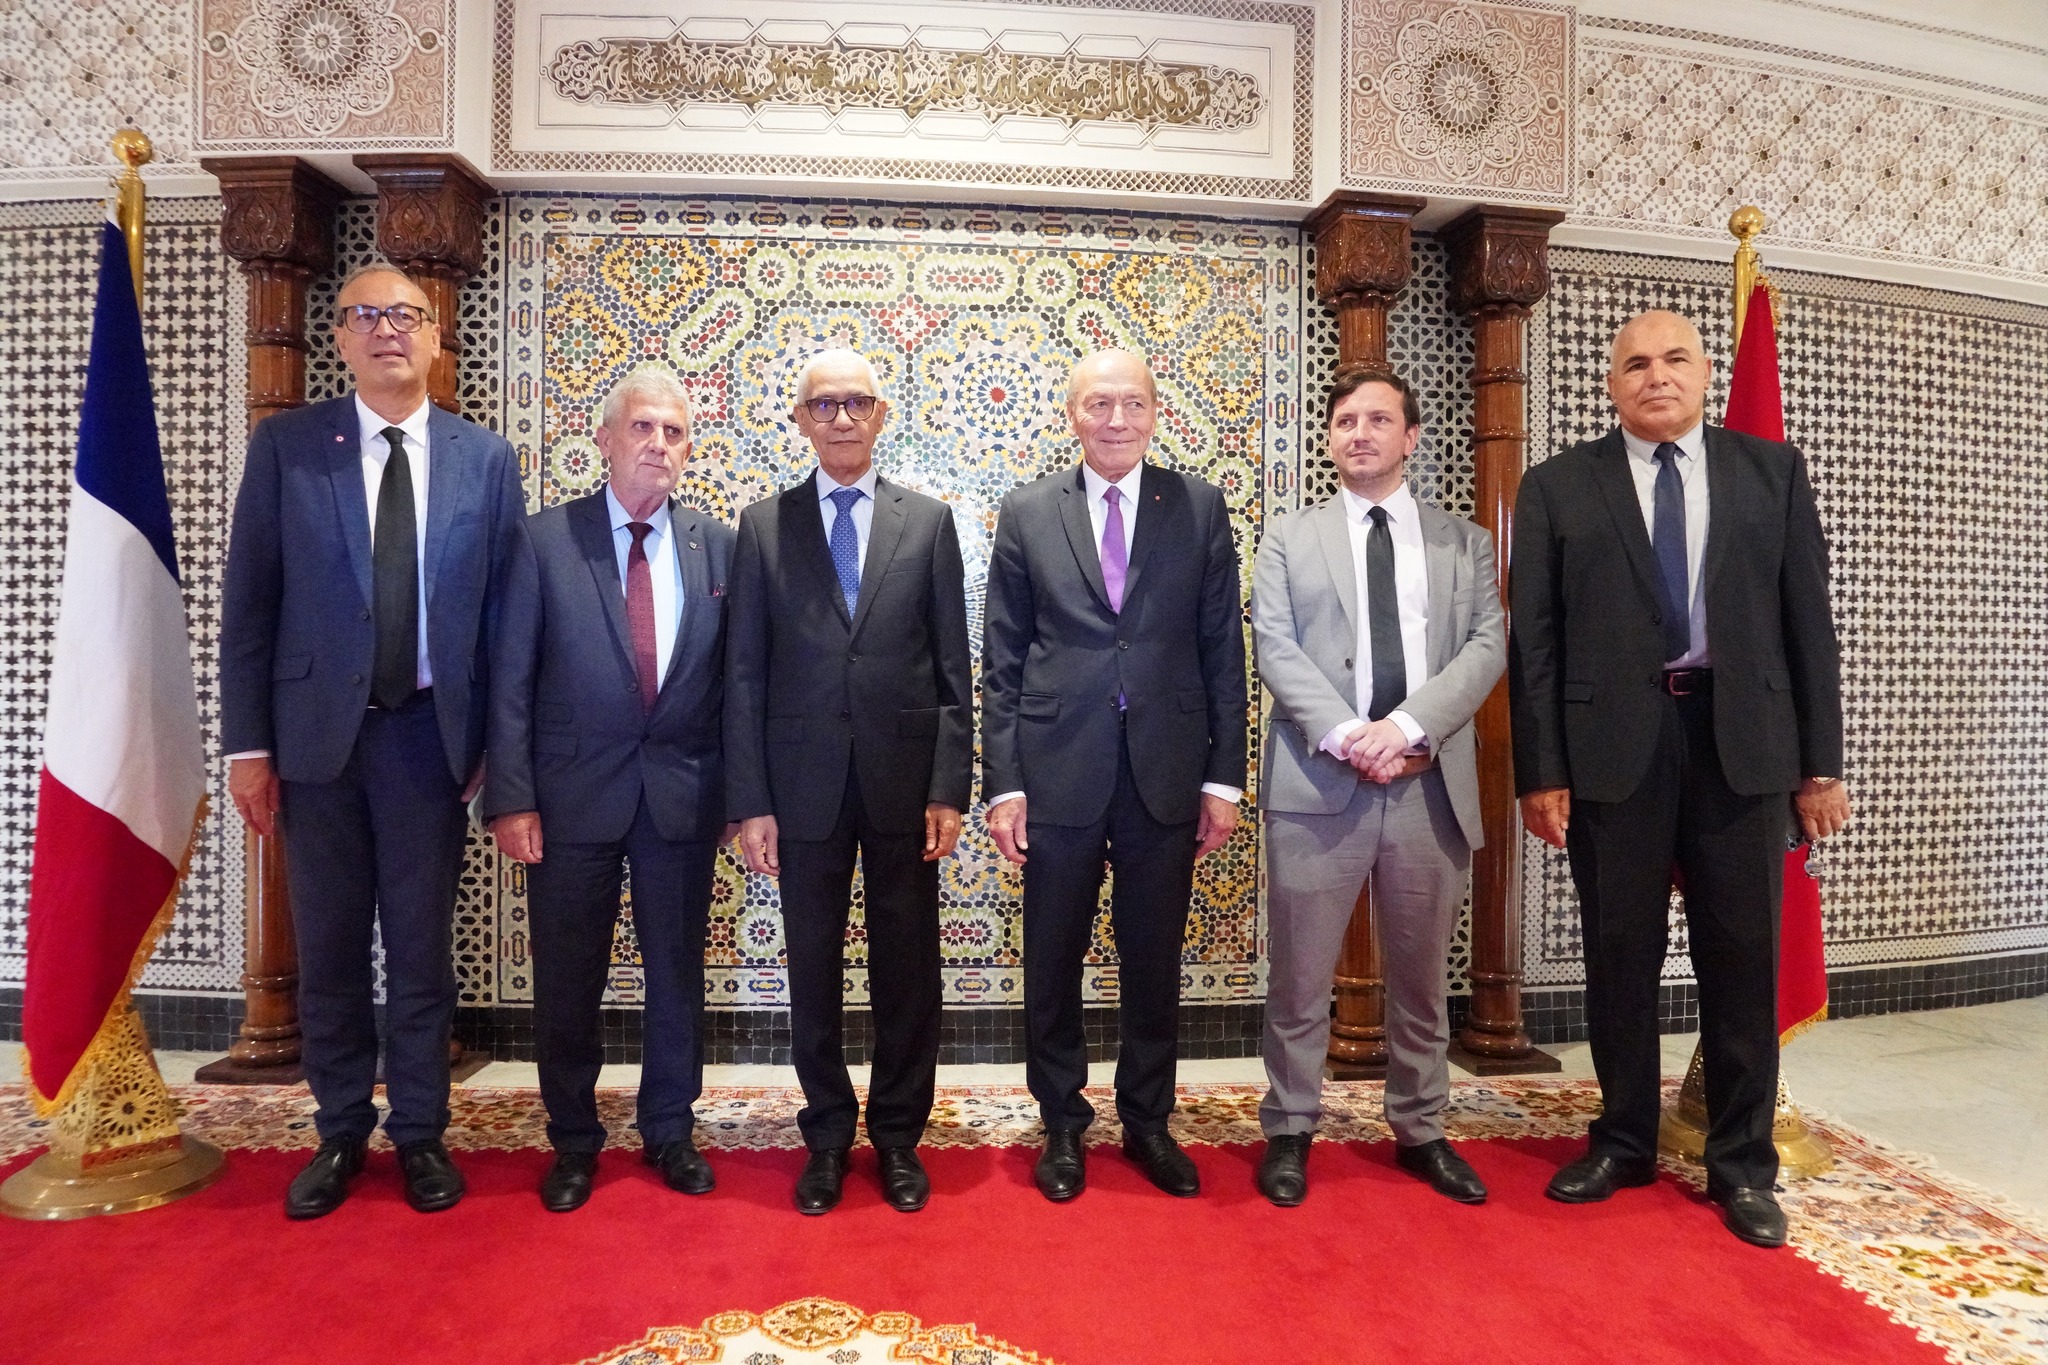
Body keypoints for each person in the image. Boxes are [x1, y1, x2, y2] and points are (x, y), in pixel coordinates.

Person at [1508, 309, 1849, 1248]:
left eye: (1675, 360)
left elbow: (1809, 624)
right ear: (1611, 385)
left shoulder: (1771, 473)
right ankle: (1622, 1140)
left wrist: (1821, 763)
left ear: (1704, 374)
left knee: (1742, 955)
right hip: (1613, 747)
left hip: (1744, 745)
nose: (1656, 376)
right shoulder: (1557, 485)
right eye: (1635, 364)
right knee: (1619, 953)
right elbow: (1534, 644)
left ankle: (1741, 1163)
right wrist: (1542, 770)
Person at [220, 263, 524, 1219]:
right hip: (317, 746)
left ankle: (422, 1132)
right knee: (332, 949)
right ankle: (342, 1128)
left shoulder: (486, 459)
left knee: (424, 952)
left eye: (405, 315)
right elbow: (250, 604)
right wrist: (247, 746)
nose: (387, 329)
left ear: (434, 337)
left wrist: (495, 745)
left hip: (430, 743)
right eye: (365, 315)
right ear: (342, 338)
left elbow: (506, 617)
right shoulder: (288, 447)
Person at [982, 348, 1249, 1203]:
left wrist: (1224, 778)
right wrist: (1005, 782)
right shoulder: (1029, 511)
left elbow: (1222, 647)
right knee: (1053, 955)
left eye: (1132, 402)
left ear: (1155, 412)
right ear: (1073, 414)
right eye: (1099, 403)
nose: (1116, 419)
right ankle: (1062, 1121)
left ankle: (1147, 1118)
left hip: (1165, 770)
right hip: (1057, 768)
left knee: (1152, 955)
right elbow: (1004, 657)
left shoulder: (1198, 507)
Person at [725, 347, 973, 1215]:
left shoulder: (928, 522)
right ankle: (827, 1135)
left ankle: (899, 1134)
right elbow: (744, 674)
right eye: (823, 404)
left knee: (909, 966)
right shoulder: (762, 526)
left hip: (904, 784)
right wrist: (751, 801)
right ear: (800, 419)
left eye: (856, 402)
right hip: (801, 785)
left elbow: (953, 668)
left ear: (880, 415)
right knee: (814, 966)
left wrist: (948, 787)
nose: (840, 417)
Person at [1249, 369, 1505, 1207]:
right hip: (1318, 782)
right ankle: (1290, 1126)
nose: (1360, 432)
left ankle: (1422, 1127)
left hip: (1429, 787)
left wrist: (1405, 728)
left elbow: (1486, 645)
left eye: (1378, 419)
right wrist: (1350, 735)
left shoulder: (1464, 541)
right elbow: (1275, 644)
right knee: (1299, 976)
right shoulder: (1289, 537)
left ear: (1410, 437)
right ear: (1330, 437)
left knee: (1422, 979)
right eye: (1346, 420)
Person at [483, 367, 735, 1212]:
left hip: (681, 797)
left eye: (674, 431)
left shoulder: (717, 545)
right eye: (642, 427)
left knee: (676, 973)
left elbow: (736, 683)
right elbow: (510, 678)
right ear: (605, 439)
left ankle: (670, 1127)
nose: (658, 444)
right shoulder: (544, 539)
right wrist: (512, 796)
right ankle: (573, 1138)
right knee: (568, 977)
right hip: (568, 799)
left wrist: (739, 796)